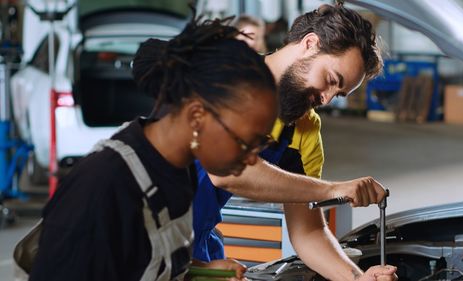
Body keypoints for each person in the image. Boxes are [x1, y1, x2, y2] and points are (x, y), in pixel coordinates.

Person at [28, 14, 278, 281]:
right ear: (197, 116)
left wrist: (200, 270)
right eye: (245, 142)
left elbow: (137, 258)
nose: (252, 158)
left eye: (260, 143)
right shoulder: (103, 186)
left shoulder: (179, 169)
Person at [192, 3, 398, 281]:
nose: (325, 99)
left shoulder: (305, 130)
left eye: (337, 94)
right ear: (310, 43)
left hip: (195, 247)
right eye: (330, 80)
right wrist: (334, 189)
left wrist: (357, 279)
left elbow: (308, 231)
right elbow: (225, 172)